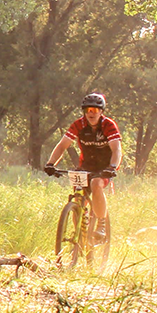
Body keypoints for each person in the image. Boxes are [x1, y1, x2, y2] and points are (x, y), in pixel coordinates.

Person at [43, 93, 122, 239]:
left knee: (96, 184)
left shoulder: (108, 125)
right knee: (78, 196)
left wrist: (112, 167)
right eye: (87, 110)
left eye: (95, 110)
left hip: (105, 167)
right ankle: (79, 235)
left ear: (101, 111)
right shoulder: (79, 125)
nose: (91, 113)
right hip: (85, 165)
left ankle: (101, 223)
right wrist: (50, 163)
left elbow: (116, 149)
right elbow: (62, 146)